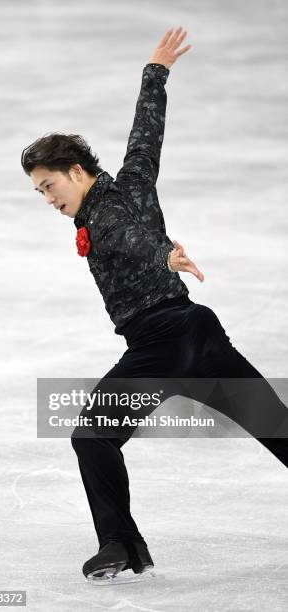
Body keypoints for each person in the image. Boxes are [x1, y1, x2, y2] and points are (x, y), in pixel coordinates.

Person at [21, 27, 288, 583]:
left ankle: (117, 545)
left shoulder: (106, 212)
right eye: (39, 192)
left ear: (77, 172)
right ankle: (120, 544)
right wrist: (156, 71)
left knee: (92, 436)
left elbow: (129, 238)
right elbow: (146, 138)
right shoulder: (133, 183)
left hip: (162, 343)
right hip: (199, 334)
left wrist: (164, 253)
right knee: (278, 430)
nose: (48, 199)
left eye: (49, 185)